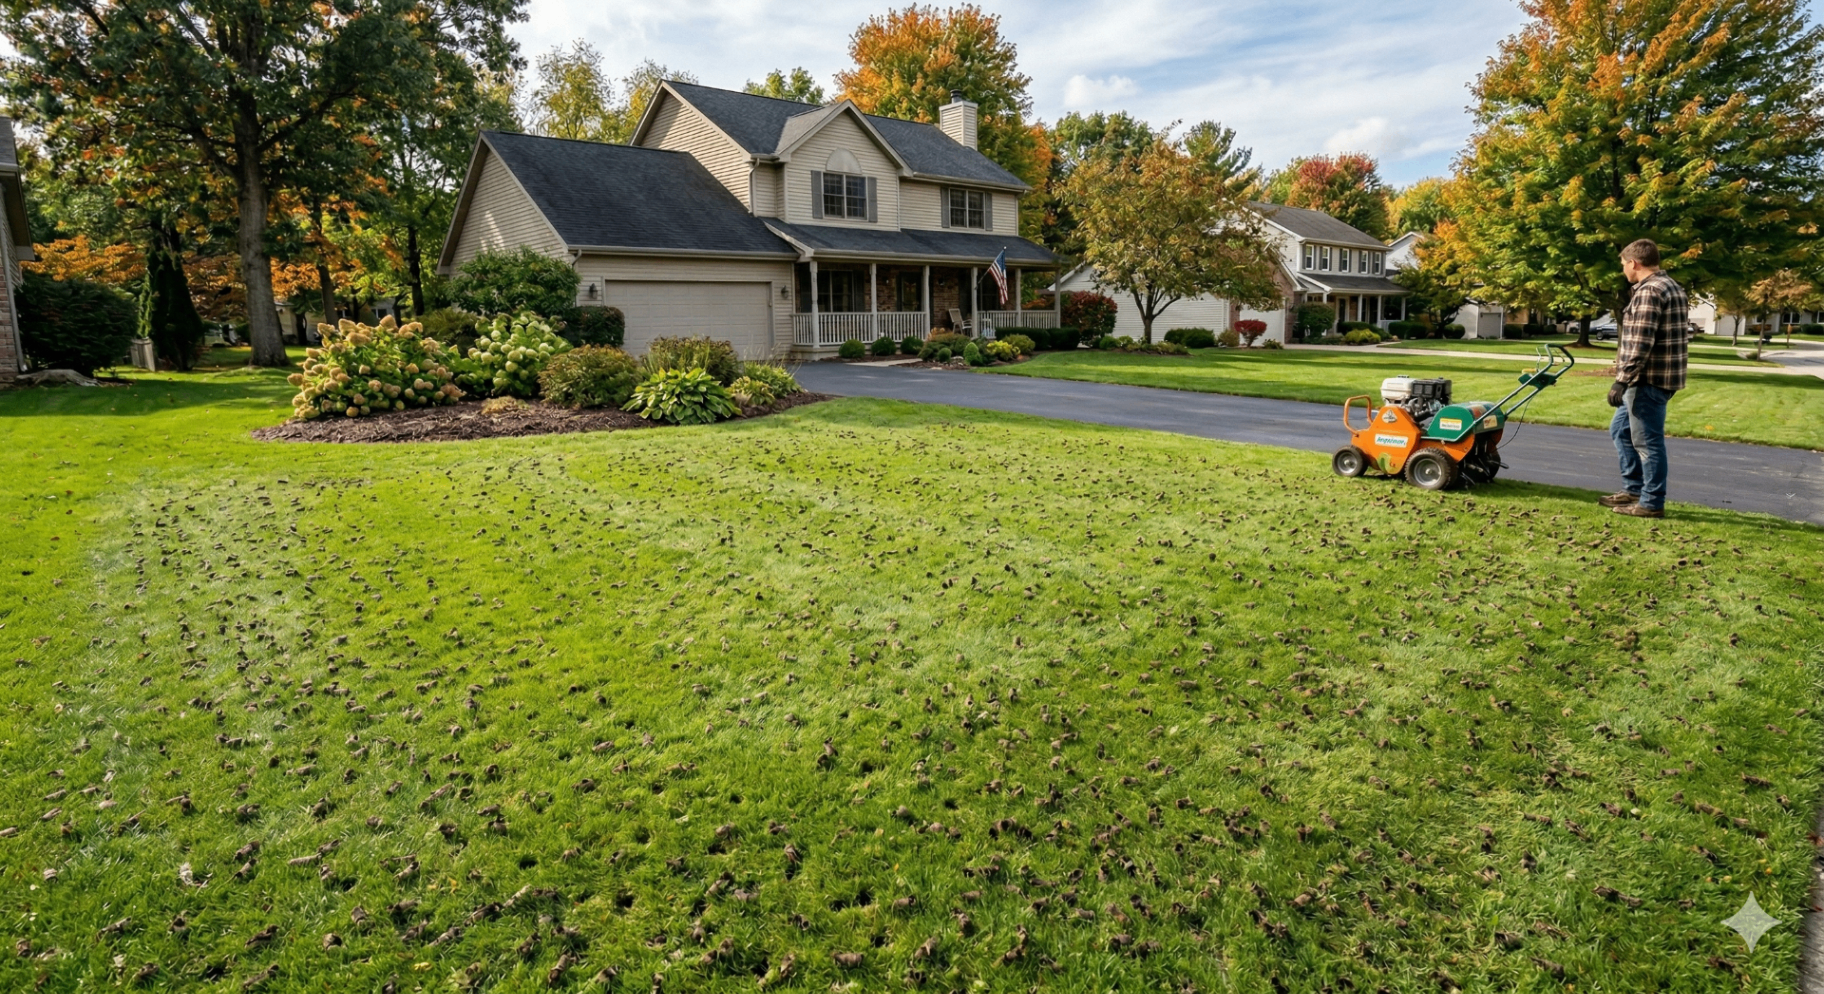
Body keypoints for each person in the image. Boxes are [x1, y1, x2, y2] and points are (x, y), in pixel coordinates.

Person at [1599, 239, 1688, 518]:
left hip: (1646, 380)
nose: (1624, 270)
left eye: (1624, 265)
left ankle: (1650, 502)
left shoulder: (1650, 291)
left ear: (1633, 263)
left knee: (1647, 443)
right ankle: (1634, 489)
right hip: (1661, 377)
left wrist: (1621, 380)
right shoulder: (1672, 286)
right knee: (1621, 430)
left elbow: (1641, 342)